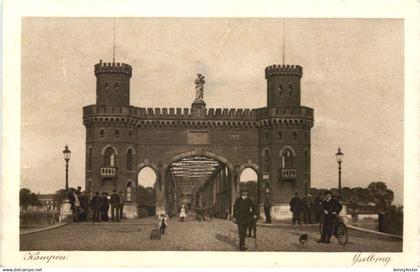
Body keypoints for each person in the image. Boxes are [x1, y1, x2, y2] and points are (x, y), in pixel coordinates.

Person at [233, 184, 257, 251]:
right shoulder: (238, 200)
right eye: (243, 191)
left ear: (247, 192)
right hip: (240, 218)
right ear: (241, 193)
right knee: (241, 232)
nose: (245, 193)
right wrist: (234, 217)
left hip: (246, 218)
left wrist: (254, 214)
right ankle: (241, 245)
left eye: (246, 191)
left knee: (244, 232)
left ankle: (242, 244)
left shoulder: (249, 200)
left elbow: (253, 207)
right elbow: (235, 208)